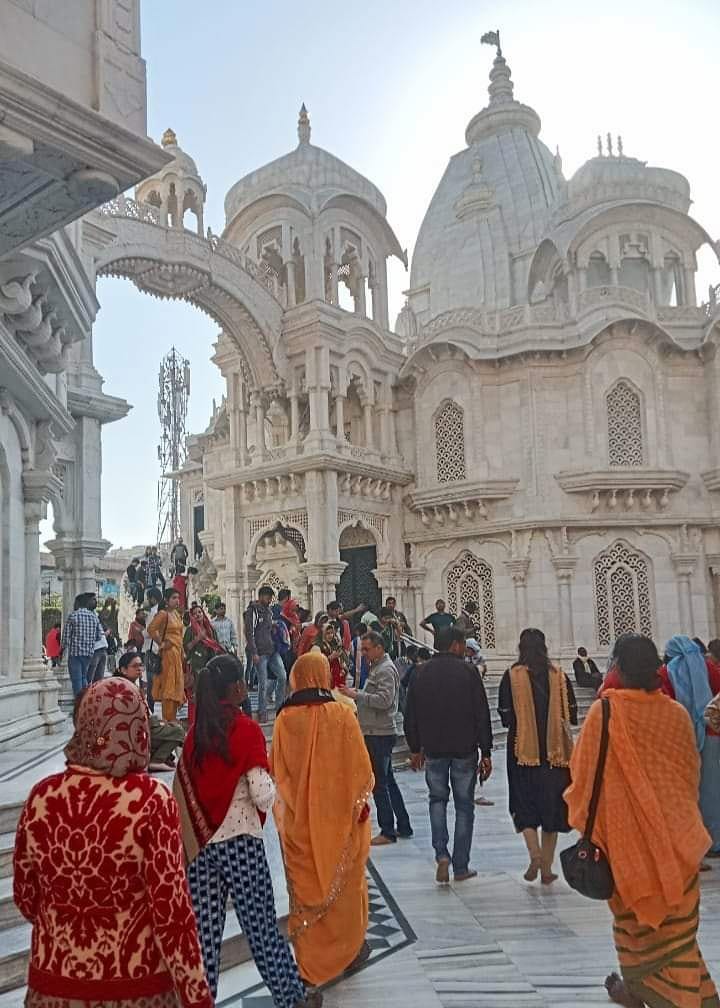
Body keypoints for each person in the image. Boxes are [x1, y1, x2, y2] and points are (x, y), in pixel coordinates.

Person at [13, 678, 213, 1008]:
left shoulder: (42, 797)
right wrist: (196, 996)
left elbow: (25, 895)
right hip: (136, 990)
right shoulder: (151, 801)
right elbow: (172, 915)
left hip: (53, 988)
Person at [565, 634, 720, 1008]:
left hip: (627, 852)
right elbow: (689, 775)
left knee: (640, 935)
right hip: (680, 846)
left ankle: (654, 993)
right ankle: (679, 995)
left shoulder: (605, 713)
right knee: (678, 938)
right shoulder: (677, 714)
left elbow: (582, 781)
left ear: (617, 667)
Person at [173, 655, 317, 1007]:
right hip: (241, 844)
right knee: (262, 928)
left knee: (205, 935)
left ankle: (200, 1001)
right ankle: (291, 998)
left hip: (202, 848)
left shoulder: (195, 735)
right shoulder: (246, 730)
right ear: (236, 688)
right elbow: (261, 794)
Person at [271, 651, 374, 988]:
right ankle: (351, 948)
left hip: (301, 826)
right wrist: (356, 804)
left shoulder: (285, 721)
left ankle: (310, 969)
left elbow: (279, 774)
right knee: (346, 887)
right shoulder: (343, 715)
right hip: (343, 822)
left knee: (308, 890)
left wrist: (297, 809)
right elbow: (362, 770)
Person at [405, 626, 493, 883]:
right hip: (464, 749)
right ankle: (461, 865)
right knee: (464, 807)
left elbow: (411, 713)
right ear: (455, 645)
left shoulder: (421, 672)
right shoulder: (469, 672)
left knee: (437, 800)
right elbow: (481, 713)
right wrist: (486, 751)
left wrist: (415, 747)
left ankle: (441, 853)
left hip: (434, 748)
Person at [498, 628, 577, 884]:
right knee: (552, 808)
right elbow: (572, 715)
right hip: (555, 756)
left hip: (522, 751)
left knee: (524, 804)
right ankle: (546, 867)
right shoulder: (559, 677)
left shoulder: (511, 676)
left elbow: (505, 715)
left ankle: (534, 854)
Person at [339, 631, 412, 845]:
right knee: (388, 780)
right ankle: (404, 824)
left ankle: (387, 830)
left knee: (379, 783)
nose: (363, 653)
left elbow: (385, 701)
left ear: (379, 647)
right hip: (375, 730)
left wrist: (357, 695)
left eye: (367, 649)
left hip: (380, 733)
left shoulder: (386, 670)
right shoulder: (378, 668)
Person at [662, 634, 720, 859]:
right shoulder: (705, 666)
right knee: (712, 788)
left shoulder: (668, 671)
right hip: (711, 734)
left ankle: (695, 841)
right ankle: (715, 839)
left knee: (688, 791)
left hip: (682, 738)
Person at [115, 651, 185, 770]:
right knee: (178, 732)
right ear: (123, 670)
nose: (139, 669)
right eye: (135, 666)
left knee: (174, 729)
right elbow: (138, 718)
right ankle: (156, 760)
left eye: (141, 665)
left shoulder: (131, 685)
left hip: (142, 729)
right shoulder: (125, 689)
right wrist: (160, 723)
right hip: (135, 733)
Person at [244, 584, 287, 721]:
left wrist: (273, 627)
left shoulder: (268, 611)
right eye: (268, 597)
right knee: (262, 683)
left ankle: (279, 707)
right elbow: (249, 633)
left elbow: (267, 628)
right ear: (261, 596)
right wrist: (254, 652)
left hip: (272, 650)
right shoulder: (253, 611)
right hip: (260, 652)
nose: (269, 600)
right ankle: (262, 712)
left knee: (282, 676)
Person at [147, 588, 185, 723]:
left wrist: (183, 653)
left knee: (176, 686)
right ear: (166, 601)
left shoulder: (176, 614)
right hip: (168, 655)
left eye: (178, 598)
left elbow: (180, 635)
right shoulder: (163, 614)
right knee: (169, 688)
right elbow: (151, 629)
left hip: (177, 654)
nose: (177, 600)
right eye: (174, 598)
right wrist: (161, 643)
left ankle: (173, 719)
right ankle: (168, 721)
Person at [185, 602, 225, 719]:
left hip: (210, 666)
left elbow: (216, 646)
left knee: (210, 695)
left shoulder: (210, 629)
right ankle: (194, 722)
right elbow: (186, 648)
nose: (197, 615)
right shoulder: (190, 631)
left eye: (199, 612)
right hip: (196, 667)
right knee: (195, 696)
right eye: (194, 613)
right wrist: (198, 639)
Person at [61, 592, 104, 696]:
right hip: (89, 654)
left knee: (76, 680)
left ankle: (79, 703)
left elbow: (66, 638)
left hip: (75, 654)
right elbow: (99, 636)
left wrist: (61, 652)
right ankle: (85, 701)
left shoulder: (73, 616)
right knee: (84, 677)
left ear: (79, 603)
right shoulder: (94, 617)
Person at [312, 620, 349, 689]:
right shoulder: (316, 647)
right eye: (327, 633)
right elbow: (316, 665)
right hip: (323, 679)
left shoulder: (332, 644)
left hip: (335, 677)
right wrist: (330, 657)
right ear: (322, 634)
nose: (330, 635)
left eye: (332, 633)